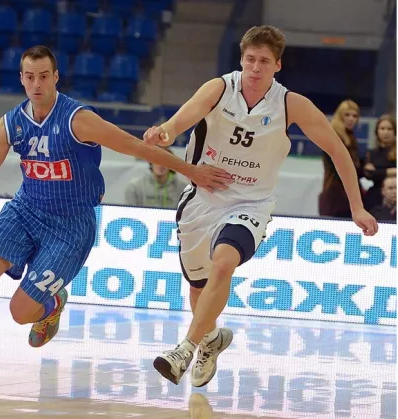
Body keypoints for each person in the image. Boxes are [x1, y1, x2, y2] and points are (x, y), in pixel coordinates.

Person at [0, 45, 232, 384]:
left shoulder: (78, 119)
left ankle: (52, 305)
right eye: (30, 77)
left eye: (44, 76)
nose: (37, 84)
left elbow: (135, 146)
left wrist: (191, 170)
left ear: (56, 77)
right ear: (22, 79)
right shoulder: (10, 123)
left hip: (70, 225)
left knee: (20, 313)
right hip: (25, 209)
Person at [143, 25, 379, 387]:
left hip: (251, 202)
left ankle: (184, 349)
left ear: (277, 65)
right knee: (199, 286)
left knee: (224, 262)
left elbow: (338, 150)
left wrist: (357, 207)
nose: (255, 67)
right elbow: (182, 119)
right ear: (241, 59)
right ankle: (210, 339)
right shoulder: (219, 88)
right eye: (250, 59)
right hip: (203, 197)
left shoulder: (290, 104)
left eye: (264, 61)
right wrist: (166, 132)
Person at [318, 99, 363, 218]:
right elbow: (341, 169)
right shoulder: (333, 136)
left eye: (355, 116)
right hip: (335, 194)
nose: (351, 119)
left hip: (345, 194)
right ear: (340, 115)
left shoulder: (350, 137)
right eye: (347, 115)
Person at [125, 147, 189, 208]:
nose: (161, 165)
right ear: (150, 162)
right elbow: (130, 212)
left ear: (171, 164)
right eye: (157, 160)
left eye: (165, 161)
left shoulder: (183, 188)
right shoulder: (135, 187)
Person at [363, 114, 397, 211]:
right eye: (382, 128)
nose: (386, 132)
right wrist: (391, 171)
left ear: (395, 131)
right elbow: (369, 174)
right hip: (375, 195)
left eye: (389, 129)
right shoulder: (371, 153)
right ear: (377, 131)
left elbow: (375, 173)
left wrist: (378, 171)